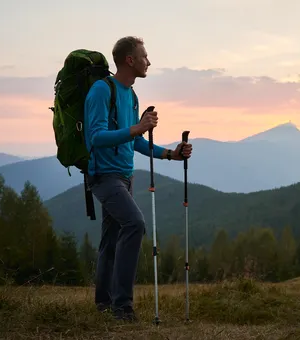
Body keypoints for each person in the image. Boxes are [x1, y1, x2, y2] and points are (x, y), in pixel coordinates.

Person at [83, 36, 193, 321]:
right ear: (130, 60)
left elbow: (135, 142)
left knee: (111, 240)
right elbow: (95, 137)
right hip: (104, 176)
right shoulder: (100, 90)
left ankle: (104, 304)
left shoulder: (131, 96)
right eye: (145, 56)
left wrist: (172, 154)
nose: (149, 61)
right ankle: (123, 307)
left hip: (125, 177)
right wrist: (137, 128)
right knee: (135, 224)